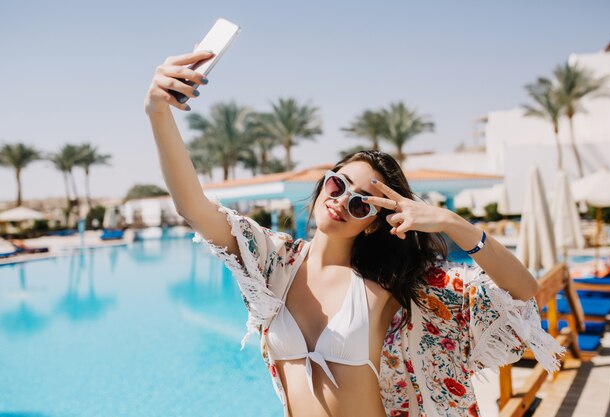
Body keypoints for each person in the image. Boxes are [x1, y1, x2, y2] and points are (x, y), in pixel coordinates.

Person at [145, 50, 563, 417]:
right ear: (323, 184)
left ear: (374, 222)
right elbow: (193, 207)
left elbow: (524, 294)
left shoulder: (388, 288)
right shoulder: (275, 263)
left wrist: (454, 224)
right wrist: (157, 112)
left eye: (362, 202)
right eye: (337, 183)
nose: (342, 201)